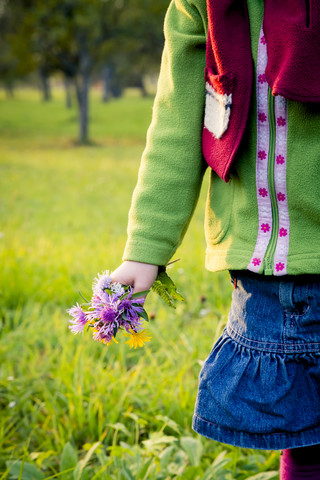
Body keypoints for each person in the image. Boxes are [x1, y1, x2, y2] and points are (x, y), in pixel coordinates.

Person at [111, 0, 320, 477]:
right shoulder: (198, 5)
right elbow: (175, 127)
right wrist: (145, 250)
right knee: (303, 435)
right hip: (264, 276)